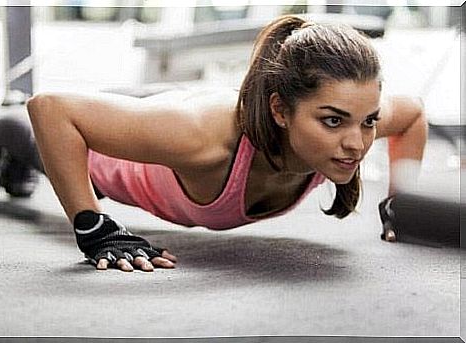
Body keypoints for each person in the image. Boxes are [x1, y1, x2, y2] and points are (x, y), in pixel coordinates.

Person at [21, 15, 427, 272]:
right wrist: (94, 227)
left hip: (179, 107)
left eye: (369, 121)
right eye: (333, 121)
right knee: (15, 129)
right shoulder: (204, 138)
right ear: (280, 111)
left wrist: (400, 206)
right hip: (106, 161)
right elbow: (50, 109)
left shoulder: (345, 120)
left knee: (145, 100)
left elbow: (411, 115)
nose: (357, 144)